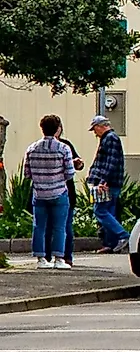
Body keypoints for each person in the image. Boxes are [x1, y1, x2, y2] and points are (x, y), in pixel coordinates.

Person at [22, 115, 80, 270]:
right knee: (59, 227)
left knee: (39, 226)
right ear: (57, 129)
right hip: (58, 191)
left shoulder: (32, 148)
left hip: (39, 193)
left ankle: (41, 258)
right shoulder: (63, 148)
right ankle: (59, 258)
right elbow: (69, 173)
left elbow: (27, 174)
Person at [87, 114, 128, 255]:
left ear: (100, 126)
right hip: (111, 182)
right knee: (109, 211)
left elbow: (111, 161)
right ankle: (111, 243)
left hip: (107, 182)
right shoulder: (110, 138)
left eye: (94, 129)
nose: (95, 133)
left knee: (100, 210)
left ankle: (122, 235)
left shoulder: (110, 138)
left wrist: (103, 181)